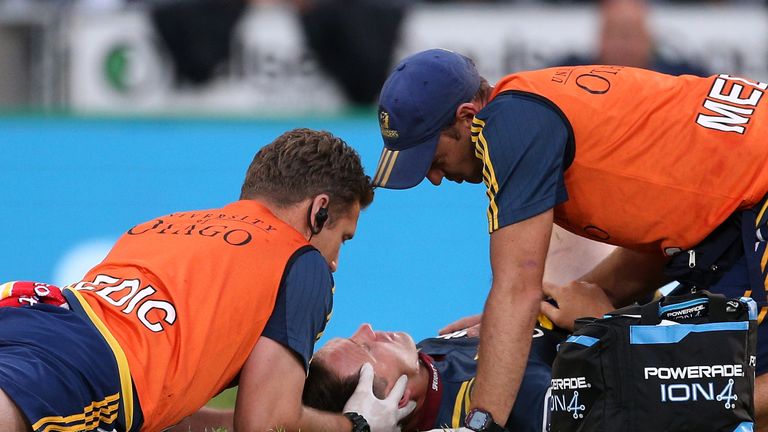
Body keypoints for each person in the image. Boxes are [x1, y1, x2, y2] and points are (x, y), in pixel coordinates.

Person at [372, 48, 768, 430]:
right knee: (719, 390)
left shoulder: (508, 129)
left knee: (721, 394)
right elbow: (659, 237)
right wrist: (568, 301)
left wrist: (479, 425)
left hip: (757, 185)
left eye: (433, 159)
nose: (436, 178)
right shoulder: (532, 105)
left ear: (466, 118)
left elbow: (515, 289)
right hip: (742, 197)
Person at [0, 128, 414, 432]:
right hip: (89, 357)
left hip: (31, 306)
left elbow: (166, 412)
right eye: (341, 238)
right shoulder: (300, 261)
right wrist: (356, 425)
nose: (336, 261)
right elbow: (265, 422)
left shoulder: (162, 225)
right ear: (318, 210)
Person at [302, 317, 572, 432]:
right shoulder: (516, 404)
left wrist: (517, 314)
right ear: (397, 400)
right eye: (366, 348)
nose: (366, 328)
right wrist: (593, 313)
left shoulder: (427, 350)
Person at [557, 0, 708, 77]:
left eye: (630, 34)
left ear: (649, 38)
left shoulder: (682, 76)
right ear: (599, 38)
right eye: (614, 33)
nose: (623, 45)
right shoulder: (568, 73)